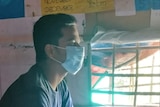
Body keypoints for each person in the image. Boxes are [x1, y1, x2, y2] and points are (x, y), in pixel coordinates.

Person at [0, 13, 85, 107]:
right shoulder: (32, 94)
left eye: (78, 43)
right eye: (72, 43)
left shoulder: (61, 86)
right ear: (51, 51)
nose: (79, 48)